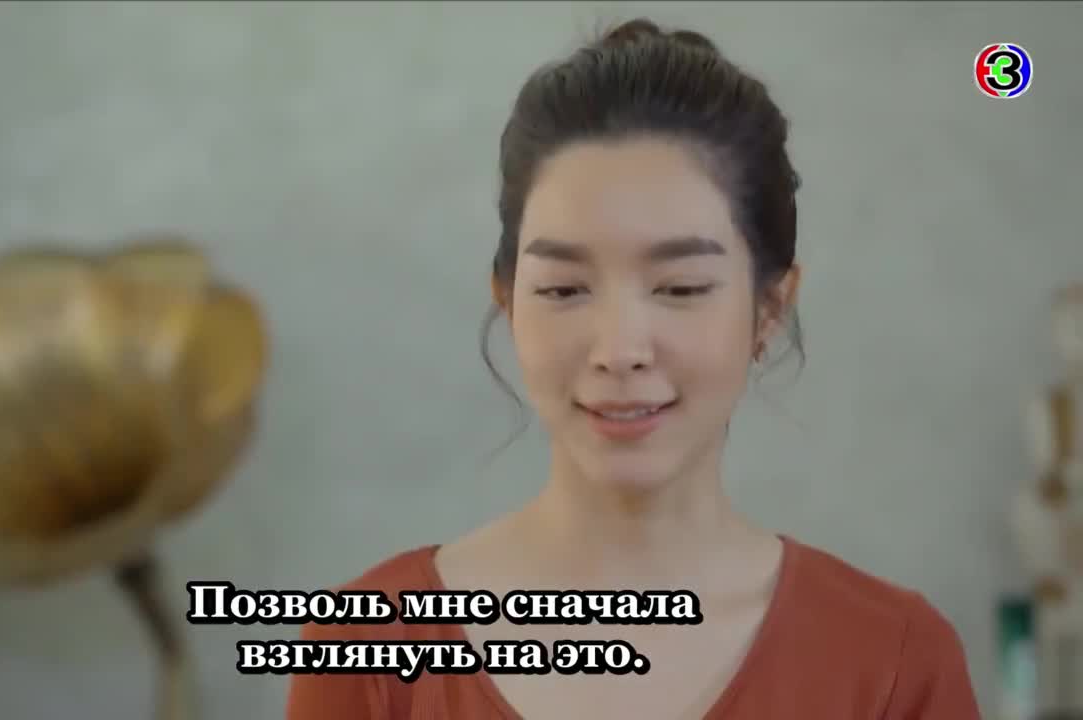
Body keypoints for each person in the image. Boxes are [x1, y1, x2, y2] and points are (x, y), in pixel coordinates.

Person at [286, 17, 981, 719]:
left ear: (769, 309)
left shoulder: (893, 662)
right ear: (508, 301)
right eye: (564, 289)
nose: (619, 350)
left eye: (680, 288)